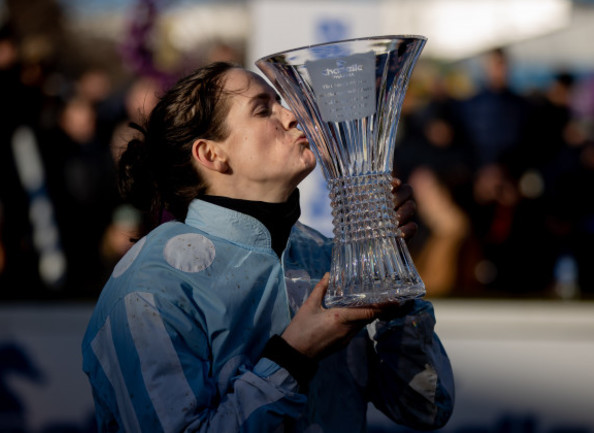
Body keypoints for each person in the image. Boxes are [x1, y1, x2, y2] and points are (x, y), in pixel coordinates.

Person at [82, 62, 455, 433]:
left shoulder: (324, 256)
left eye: (281, 102)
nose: (293, 116)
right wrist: (293, 356)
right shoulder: (151, 286)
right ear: (211, 154)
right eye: (264, 109)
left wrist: (392, 278)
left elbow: (425, 408)